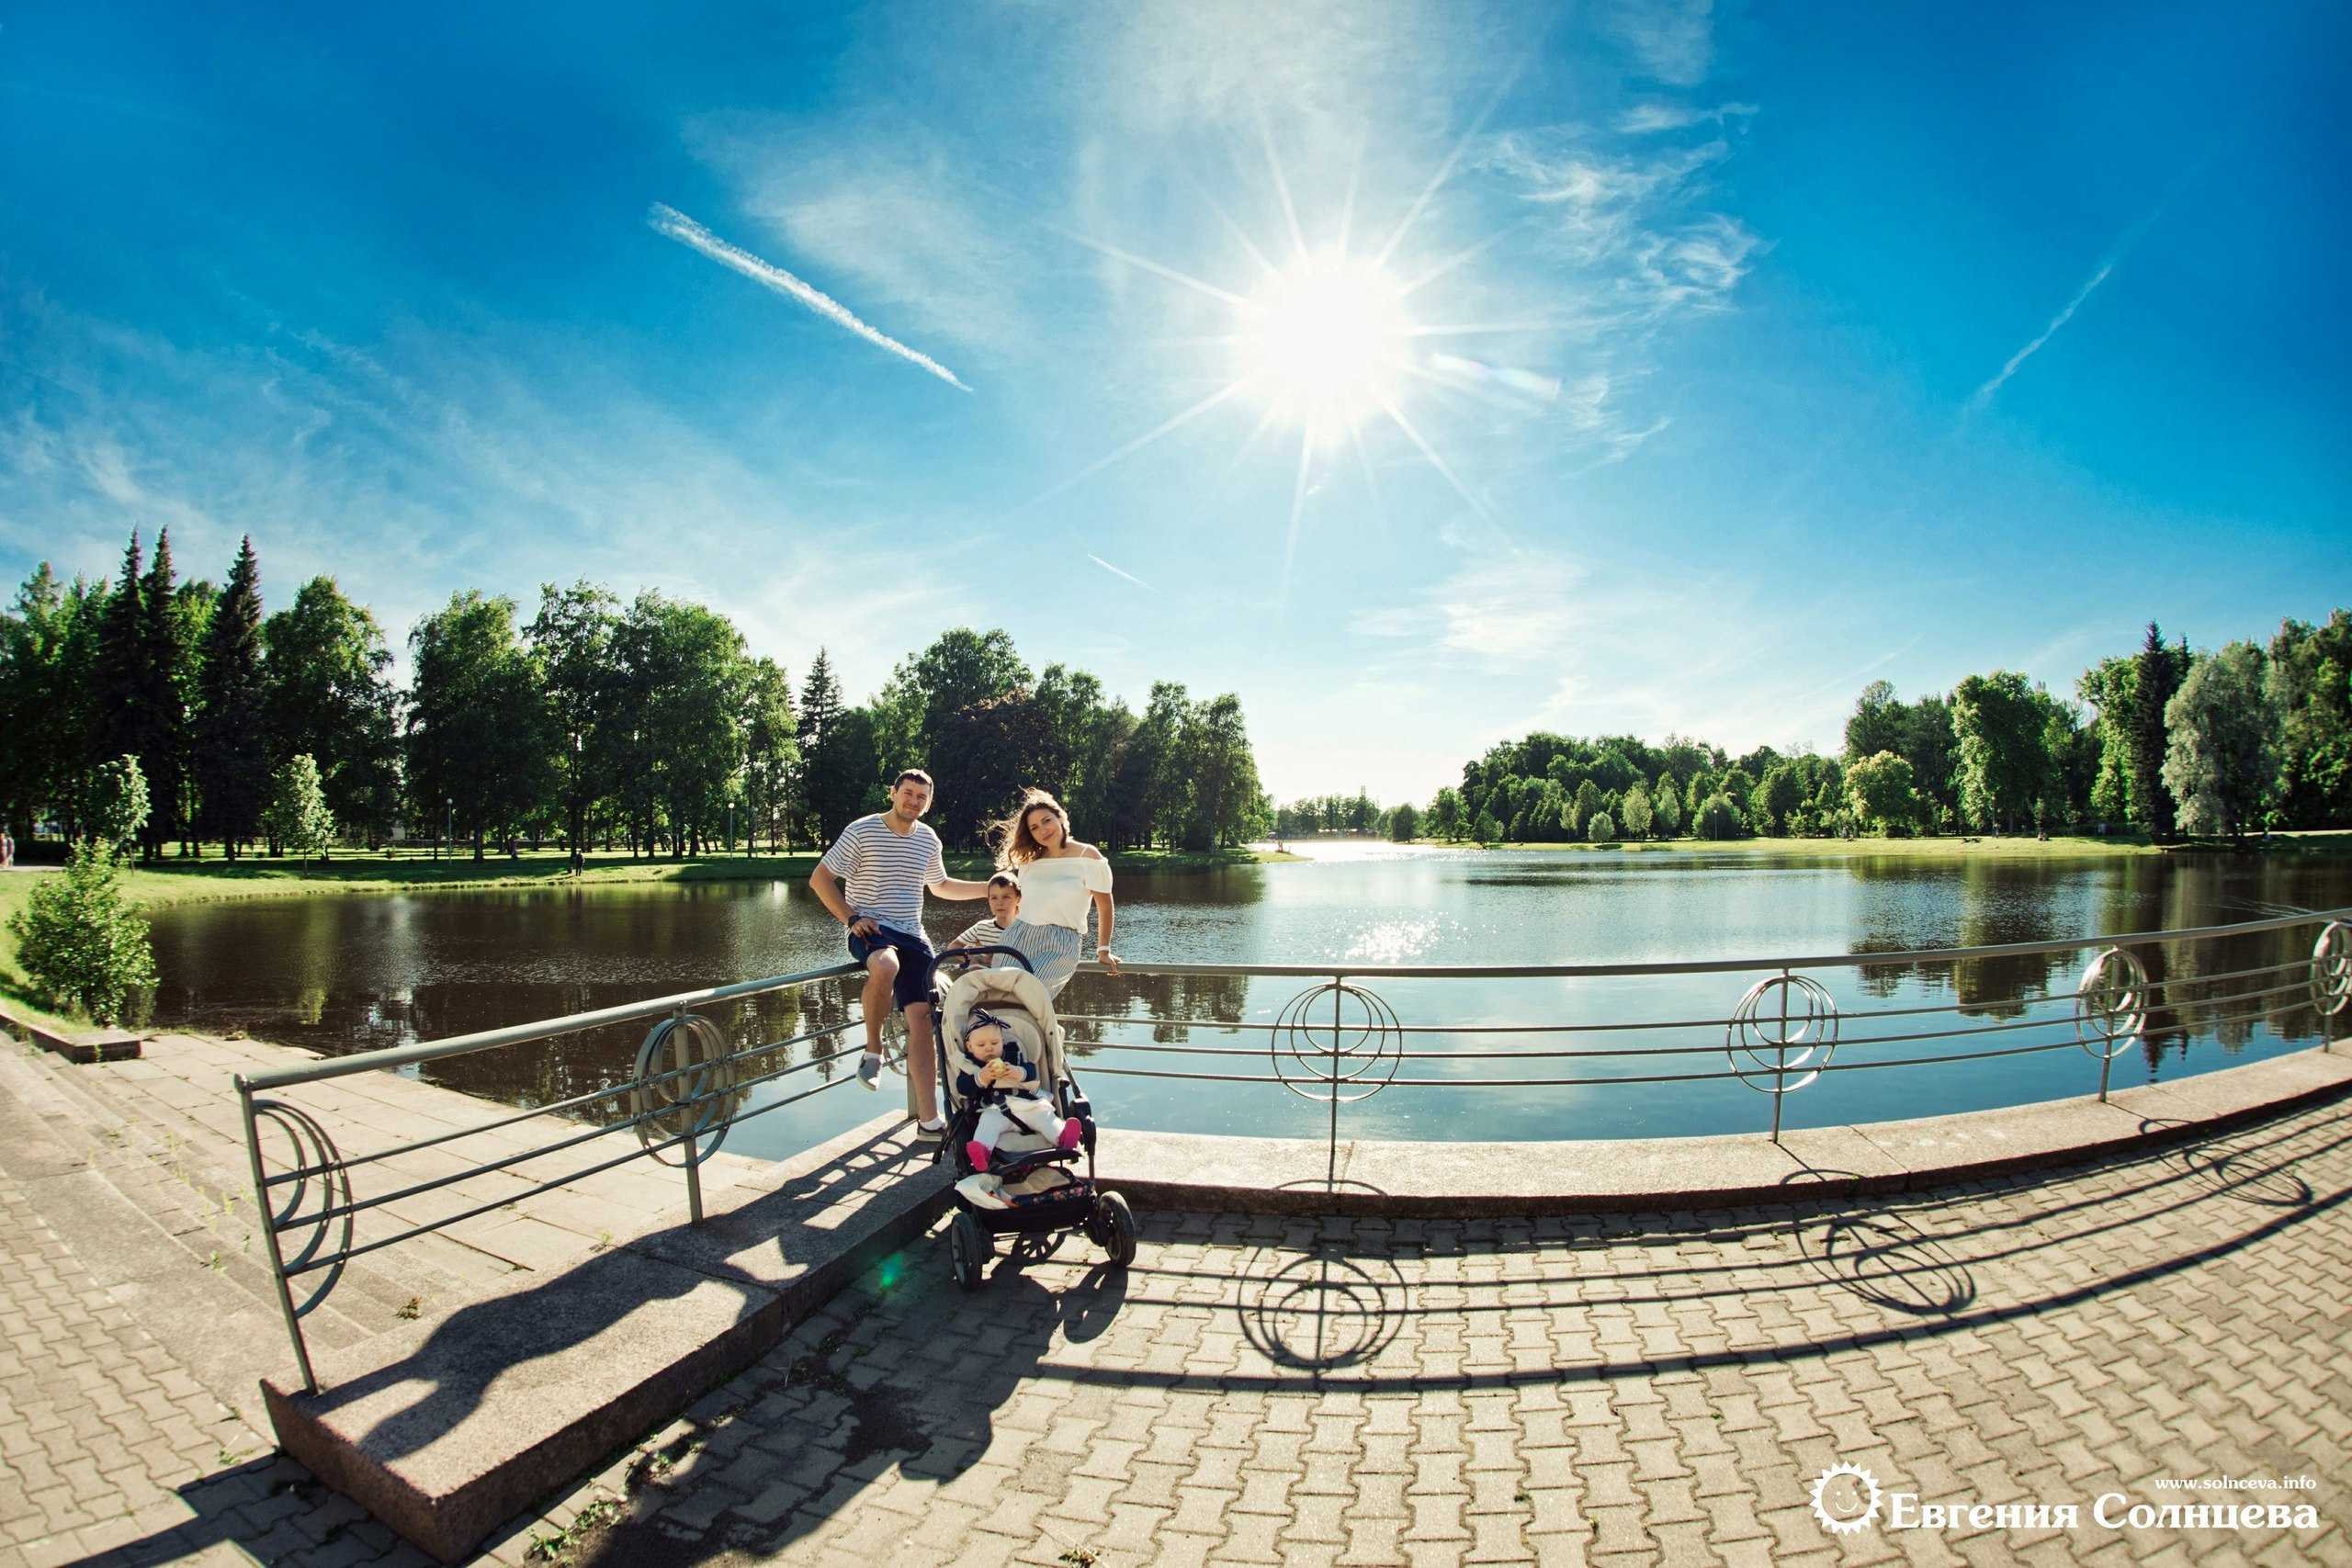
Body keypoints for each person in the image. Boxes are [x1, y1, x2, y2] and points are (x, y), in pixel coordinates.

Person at [808, 770, 990, 1141]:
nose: (914, 801)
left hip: (913, 935)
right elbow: (820, 879)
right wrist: (851, 917)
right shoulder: (862, 830)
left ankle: (929, 1122)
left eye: (921, 797)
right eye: (908, 793)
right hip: (871, 928)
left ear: (928, 803)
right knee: (885, 964)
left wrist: (991, 888)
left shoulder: (927, 838)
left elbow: (940, 886)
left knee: (923, 1020)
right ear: (893, 793)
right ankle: (873, 1051)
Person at [990, 790, 1120, 987]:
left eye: (1046, 821)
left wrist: (1103, 949)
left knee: (1031, 995)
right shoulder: (1030, 861)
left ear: (1060, 818)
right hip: (1018, 936)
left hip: (1060, 943)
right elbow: (1020, 907)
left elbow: (1105, 907)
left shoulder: (1088, 856)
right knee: (998, 996)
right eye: (1034, 828)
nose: (1043, 830)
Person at [954, 1009, 1082, 1175]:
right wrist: (982, 1077)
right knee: (987, 1122)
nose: (989, 1049)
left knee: (1045, 1116)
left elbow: (1031, 1072)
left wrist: (1018, 1072)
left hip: (1027, 1106)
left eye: (994, 1043)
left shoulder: (1013, 1052)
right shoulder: (969, 1064)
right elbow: (963, 1087)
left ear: (1002, 1040)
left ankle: (1063, 1137)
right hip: (996, 1110)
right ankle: (982, 1151)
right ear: (970, 1047)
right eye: (981, 1045)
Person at [941, 869, 1079, 995]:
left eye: (1006, 897)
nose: (999, 903)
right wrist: (973, 960)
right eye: (994, 898)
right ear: (988, 901)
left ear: (1018, 899)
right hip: (985, 990)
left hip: (1014, 989)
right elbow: (954, 946)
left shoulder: (1027, 930)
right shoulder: (982, 928)